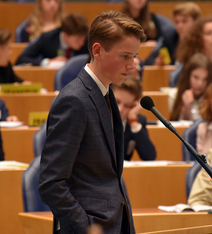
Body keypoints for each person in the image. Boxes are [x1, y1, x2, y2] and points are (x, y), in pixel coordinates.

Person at [38, 10, 146, 234]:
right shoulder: (74, 100)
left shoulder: (105, 92)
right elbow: (51, 183)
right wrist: (86, 228)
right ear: (98, 50)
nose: (132, 65)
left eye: (134, 56)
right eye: (125, 56)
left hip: (115, 223)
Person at [16, 12, 89, 67]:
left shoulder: (87, 41)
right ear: (65, 35)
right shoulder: (47, 38)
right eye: (78, 39)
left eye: (83, 38)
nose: (82, 42)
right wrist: (48, 62)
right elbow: (22, 59)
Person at [111, 76, 156, 161]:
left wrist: (132, 119)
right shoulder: (94, 118)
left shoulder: (137, 121)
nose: (120, 109)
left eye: (127, 106)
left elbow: (150, 157)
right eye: (117, 102)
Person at [169, 53, 212, 121]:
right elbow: (177, 127)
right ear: (188, 76)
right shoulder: (174, 95)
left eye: (205, 79)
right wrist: (186, 109)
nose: (200, 84)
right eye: (196, 77)